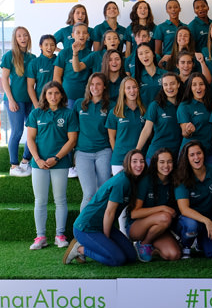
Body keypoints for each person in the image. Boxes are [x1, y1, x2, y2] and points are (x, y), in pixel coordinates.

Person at [64, 149, 145, 266]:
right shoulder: (122, 181)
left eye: (142, 161)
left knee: (131, 256)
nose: (139, 165)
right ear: (127, 163)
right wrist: (107, 238)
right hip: (86, 228)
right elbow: (109, 213)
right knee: (118, 259)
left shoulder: (133, 181)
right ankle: (80, 249)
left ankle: (99, 245)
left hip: (102, 225)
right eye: (135, 161)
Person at [27, 81, 79, 250]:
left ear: (62, 95)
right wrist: (38, 159)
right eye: (50, 93)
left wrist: (56, 158)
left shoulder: (69, 114)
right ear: (45, 96)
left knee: (60, 200)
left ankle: (60, 235)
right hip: (38, 164)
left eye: (56, 93)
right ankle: (40, 236)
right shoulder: (36, 114)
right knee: (40, 201)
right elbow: (30, 139)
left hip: (60, 163)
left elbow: (72, 140)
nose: (53, 96)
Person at [128, 148, 181, 262]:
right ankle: (144, 244)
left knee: (174, 255)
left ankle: (153, 248)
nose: (166, 165)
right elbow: (134, 213)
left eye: (169, 162)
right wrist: (163, 208)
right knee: (165, 217)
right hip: (137, 227)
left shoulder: (173, 181)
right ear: (155, 163)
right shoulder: (146, 180)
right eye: (162, 162)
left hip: (158, 228)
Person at [175, 141, 212, 259]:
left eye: (199, 153)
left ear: (204, 154)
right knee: (192, 227)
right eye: (192, 155)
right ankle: (185, 245)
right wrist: (206, 221)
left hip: (210, 221)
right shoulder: (181, 176)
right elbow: (184, 209)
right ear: (186, 158)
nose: (196, 157)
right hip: (189, 220)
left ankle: (201, 242)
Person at [74, 73, 112, 211]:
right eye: (92, 84)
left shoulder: (111, 105)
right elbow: (73, 131)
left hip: (104, 152)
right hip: (83, 153)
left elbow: (113, 132)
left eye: (98, 84)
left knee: (103, 192)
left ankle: (99, 226)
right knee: (89, 193)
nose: (95, 87)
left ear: (104, 87)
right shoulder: (79, 104)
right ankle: (81, 228)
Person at [2, 26, 35, 176]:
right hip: (14, 100)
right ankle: (14, 166)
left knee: (33, 131)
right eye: (19, 36)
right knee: (17, 131)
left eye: (25, 35)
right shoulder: (9, 56)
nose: (23, 38)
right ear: (15, 39)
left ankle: (25, 162)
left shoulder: (32, 57)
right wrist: (10, 100)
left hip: (30, 100)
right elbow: (4, 79)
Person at [136, 72, 182, 161]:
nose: (169, 87)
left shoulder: (183, 106)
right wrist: (137, 151)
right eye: (165, 84)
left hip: (176, 155)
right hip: (156, 154)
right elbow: (146, 130)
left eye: (172, 83)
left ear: (178, 84)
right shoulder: (155, 105)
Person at [106, 77, 146, 175]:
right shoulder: (115, 112)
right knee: (121, 188)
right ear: (123, 91)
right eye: (128, 88)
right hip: (120, 159)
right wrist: (117, 153)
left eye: (134, 87)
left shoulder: (144, 110)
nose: (132, 91)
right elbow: (111, 137)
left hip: (139, 159)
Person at [177, 73, 212, 160]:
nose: (198, 87)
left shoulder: (211, 104)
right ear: (190, 88)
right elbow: (184, 133)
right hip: (190, 154)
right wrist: (188, 131)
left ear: (205, 86)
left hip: (209, 152)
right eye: (194, 85)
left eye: (201, 84)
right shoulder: (184, 106)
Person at [54, 22, 92, 107]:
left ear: (88, 35)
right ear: (72, 35)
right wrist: (60, 95)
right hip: (67, 96)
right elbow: (56, 77)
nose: (81, 35)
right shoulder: (64, 53)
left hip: (85, 97)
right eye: (78, 32)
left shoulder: (91, 54)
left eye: (84, 33)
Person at [26, 34, 57, 110]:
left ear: (55, 47)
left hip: (57, 101)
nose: (49, 47)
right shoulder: (34, 63)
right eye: (46, 45)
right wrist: (36, 104)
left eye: (52, 45)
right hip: (41, 102)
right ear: (40, 46)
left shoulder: (59, 61)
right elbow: (30, 86)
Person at [132, 43, 167, 107]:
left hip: (163, 113)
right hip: (144, 114)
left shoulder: (165, 74)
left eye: (147, 52)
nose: (144, 56)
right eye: (140, 54)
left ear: (153, 54)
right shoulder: (134, 77)